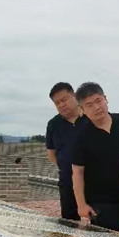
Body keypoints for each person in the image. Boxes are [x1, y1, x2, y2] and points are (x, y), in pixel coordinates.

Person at [71, 82, 119, 231]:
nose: (96, 107)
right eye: (89, 105)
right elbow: (77, 172)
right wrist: (81, 205)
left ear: (106, 99)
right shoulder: (81, 136)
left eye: (98, 101)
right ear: (82, 109)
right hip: (102, 203)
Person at [45, 82, 89, 221]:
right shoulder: (53, 124)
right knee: (69, 223)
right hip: (68, 183)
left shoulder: (90, 117)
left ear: (74, 96)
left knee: (99, 225)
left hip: (94, 182)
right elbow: (51, 154)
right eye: (57, 103)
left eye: (64, 99)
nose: (61, 105)